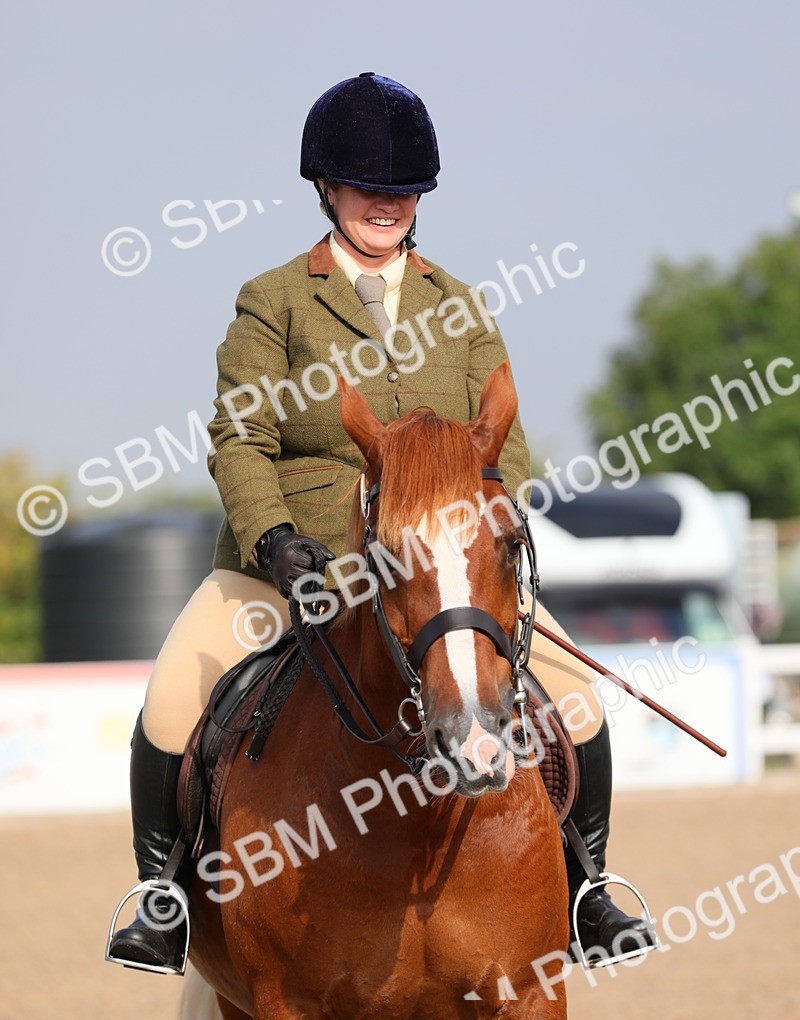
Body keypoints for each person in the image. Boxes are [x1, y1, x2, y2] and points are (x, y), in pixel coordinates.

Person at [107, 72, 655, 973]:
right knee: (172, 701)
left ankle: (588, 889)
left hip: (438, 571)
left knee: (579, 703)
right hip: (297, 560)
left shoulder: (462, 305)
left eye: (403, 190)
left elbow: (504, 447)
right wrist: (275, 540)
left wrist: (485, 535)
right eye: (368, 188)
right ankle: (161, 899)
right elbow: (240, 437)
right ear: (327, 188)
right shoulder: (275, 300)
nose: (386, 205)